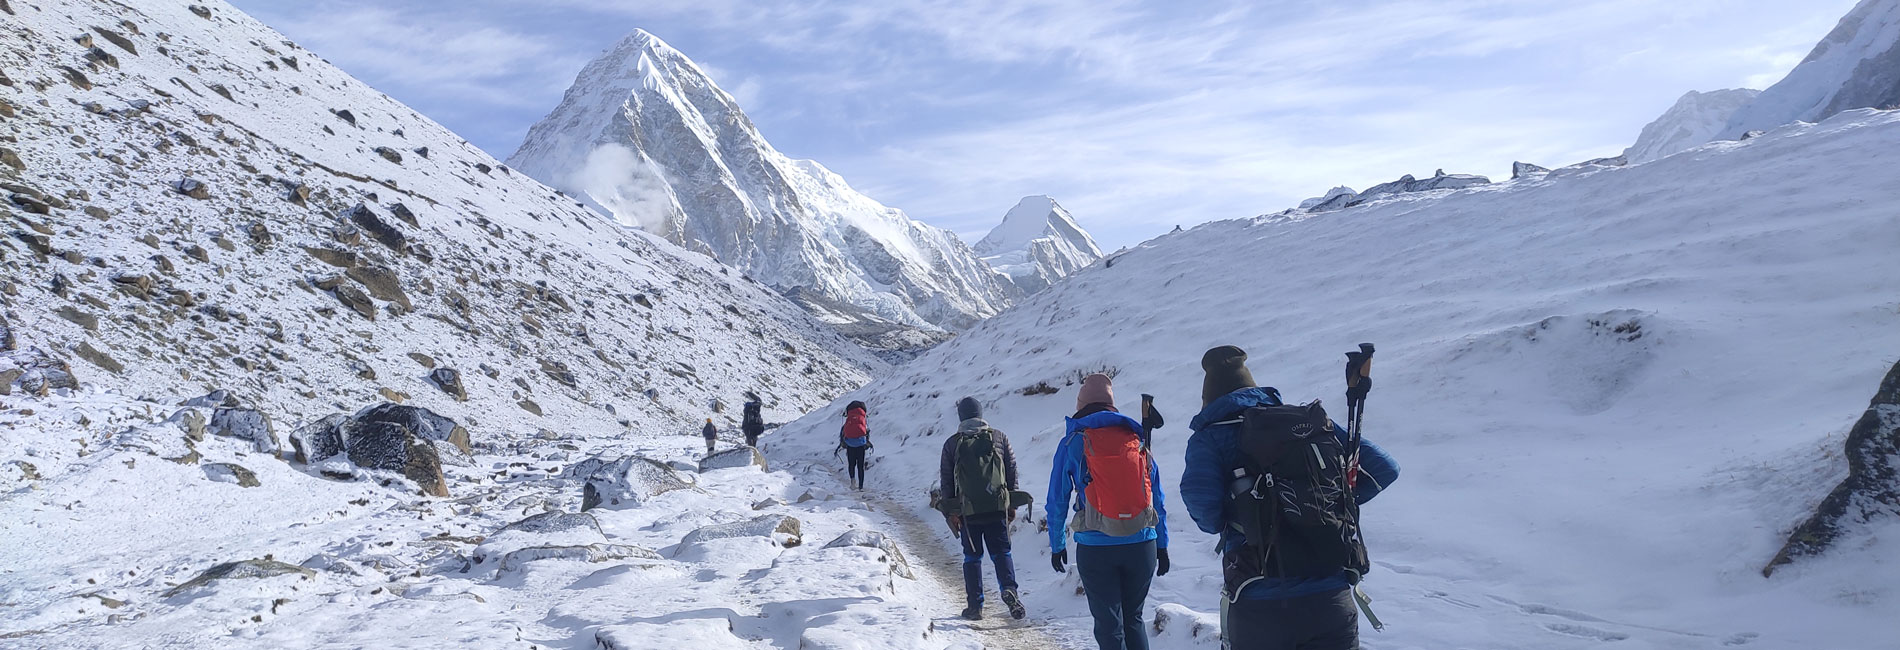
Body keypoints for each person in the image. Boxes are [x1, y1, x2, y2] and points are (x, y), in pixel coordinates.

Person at [1180, 346, 1400, 650]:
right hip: (1331, 596)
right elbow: (1384, 468)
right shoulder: (1306, 422)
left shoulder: (1209, 437)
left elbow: (1203, 510)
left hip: (1259, 599)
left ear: (1209, 397)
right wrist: (1330, 503)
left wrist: (1242, 516)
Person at [1046, 373, 1170, 650]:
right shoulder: (1137, 440)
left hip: (1096, 546)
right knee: (1134, 620)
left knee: (1109, 625)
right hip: (1142, 542)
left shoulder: (1073, 442)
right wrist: (1161, 544)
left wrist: (1056, 544)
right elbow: (1156, 497)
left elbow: (1057, 499)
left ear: (1081, 406)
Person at [940, 396, 1025, 621]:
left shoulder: (952, 443)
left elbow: (947, 480)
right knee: (1001, 553)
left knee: (972, 557)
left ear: (961, 417)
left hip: (968, 511)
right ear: (980, 413)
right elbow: (1011, 469)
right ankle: (1009, 590)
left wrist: (951, 511)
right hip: (997, 506)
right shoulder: (999, 437)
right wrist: (1011, 502)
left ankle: (975, 607)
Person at [838, 400, 872, 490]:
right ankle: (861, 486)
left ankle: (852, 481)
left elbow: (844, 431)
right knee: (860, 466)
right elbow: (866, 431)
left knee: (851, 464)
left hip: (850, 444)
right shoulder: (862, 416)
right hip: (861, 444)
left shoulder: (849, 416)